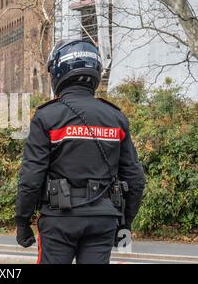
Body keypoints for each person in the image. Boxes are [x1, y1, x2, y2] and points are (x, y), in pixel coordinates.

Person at [15, 39, 145, 264]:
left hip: (59, 220)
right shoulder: (116, 117)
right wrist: (125, 224)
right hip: (103, 219)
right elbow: (135, 179)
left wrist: (22, 221)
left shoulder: (47, 117)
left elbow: (31, 177)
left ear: (58, 71)